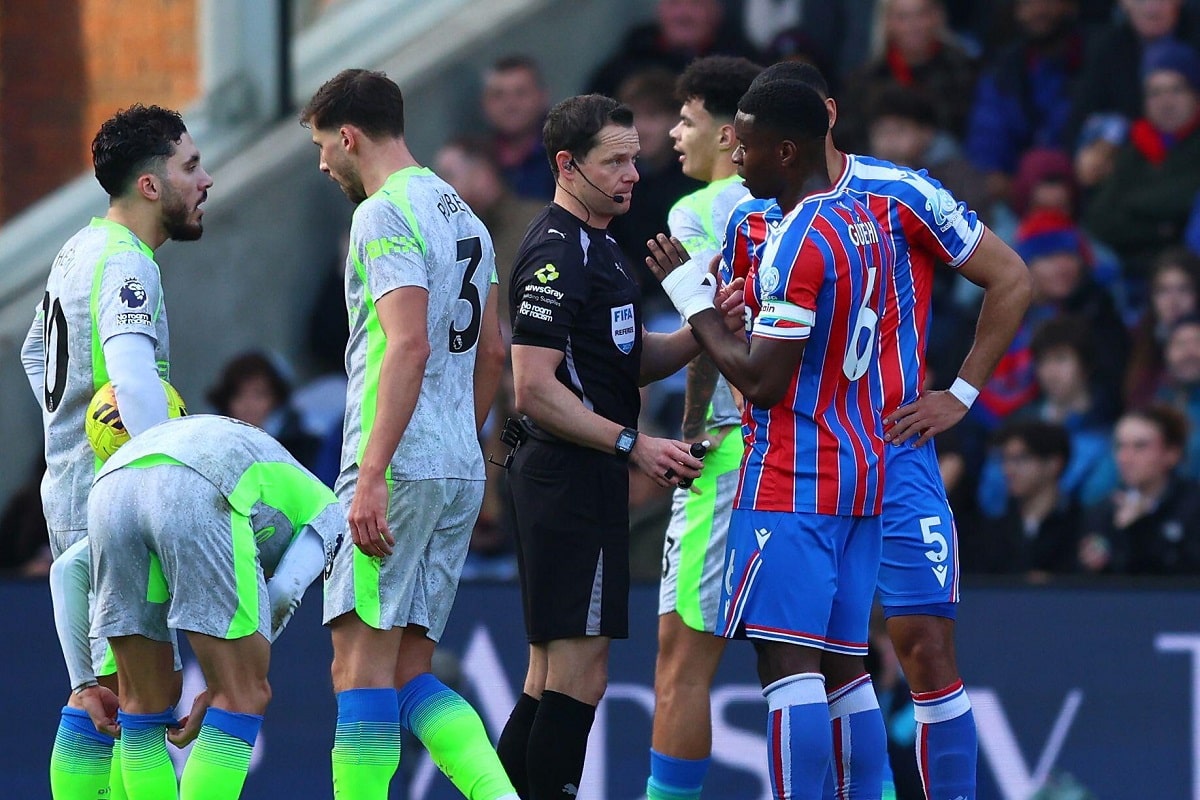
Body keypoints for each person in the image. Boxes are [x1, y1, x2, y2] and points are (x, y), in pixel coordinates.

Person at [734, 61, 1032, 800]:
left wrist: (959, 392)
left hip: (895, 453)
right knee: (830, 660)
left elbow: (1012, 276)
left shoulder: (900, 194)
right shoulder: (755, 218)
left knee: (923, 645)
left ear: (819, 119)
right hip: (799, 461)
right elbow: (753, 351)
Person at [647, 77, 894, 799]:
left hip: (784, 466)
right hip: (860, 460)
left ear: (779, 149)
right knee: (845, 668)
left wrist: (692, 300)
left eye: (744, 144)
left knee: (780, 669)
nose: (735, 156)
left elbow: (756, 379)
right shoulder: (862, 217)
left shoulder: (782, 234)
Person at [299, 68, 514, 800]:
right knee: (406, 671)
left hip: (395, 463)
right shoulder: (468, 216)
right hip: (455, 463)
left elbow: (407, 343)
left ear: (350, 136)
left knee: (355, 669)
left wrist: (370, 473)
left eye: (325, 146)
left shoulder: (382, 212)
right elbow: (493, 352)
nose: (324, 164)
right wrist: (460, 438)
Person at [494, 93, 710, 800]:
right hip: (569, 475)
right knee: (579, 677)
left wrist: (707, 325)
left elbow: (625, 357)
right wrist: (632, 445)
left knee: (546, 675)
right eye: (614, 162)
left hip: (575, 475)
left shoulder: (603, 245)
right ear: (567, 165)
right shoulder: (556, 251)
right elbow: (533, 387)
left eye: (634, 160)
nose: (632, 175)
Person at [19, 103, 213, 800]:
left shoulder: (78, 248)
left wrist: (71, 426)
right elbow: (131, 376)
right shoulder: (129, 262)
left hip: (73, 490)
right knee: (137, 703)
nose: (207, 179)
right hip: (118, 503)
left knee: (104, 696)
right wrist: (160, 483)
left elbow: (32, 353)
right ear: (152, 185)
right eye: (191, 166)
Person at [63, 414, 343, 799]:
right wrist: (224, 681)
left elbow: (64, 570)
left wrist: (83, 684)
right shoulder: (335, 516)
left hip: (112, 484)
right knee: (242, 694)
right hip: (201, 481)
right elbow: (283, 594)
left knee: (142, 703)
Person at [644, 53, 761, 800]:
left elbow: (709, 325)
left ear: (726, 132)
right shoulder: (807, 199)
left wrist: (693, 427)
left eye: (685, 120)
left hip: (732, 451)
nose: (673, 136)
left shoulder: (701, 210)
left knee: (681, 663)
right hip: (812, 451)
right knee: (821, 663)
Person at [1078, 405, 1200, 574]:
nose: (1125, 458)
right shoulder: (1103, 511)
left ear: (1172, 454)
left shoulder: (1193, 506)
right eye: (1120, 446)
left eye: (1140, 446)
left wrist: (1141, 527)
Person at [968, 419, 1083, 576]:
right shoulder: (994, 529)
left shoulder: (1080, 524)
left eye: (1021, 459)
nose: (1008, 469)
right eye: (1005, 459)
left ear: (1053, 464)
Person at [207, 350, 321, 469]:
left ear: (277, 399)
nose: (248, 404)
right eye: (239, 395)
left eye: (258, 395)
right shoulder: (211, 449)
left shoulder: (307, 449)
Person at [481, 55, 556, 201]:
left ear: (543, 97)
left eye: (521, 93)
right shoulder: (479, 159)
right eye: (498, 95)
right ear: (484, 103)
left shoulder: (567, 152)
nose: (510, 105)